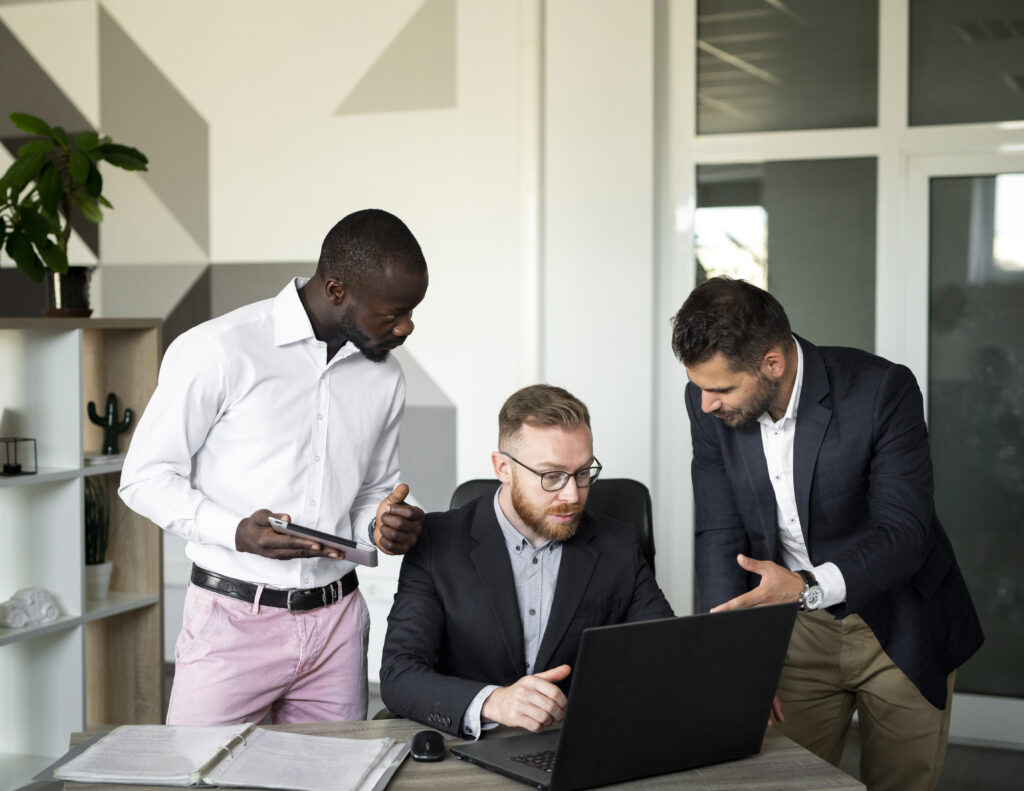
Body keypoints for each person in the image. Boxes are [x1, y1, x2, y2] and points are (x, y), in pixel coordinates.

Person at [670, 276, 983, 791]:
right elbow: (719, 530)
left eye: (722, 388)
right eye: (700, 386)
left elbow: (906, 531)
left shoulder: (882, 389)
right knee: (781, 781)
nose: (706, 403)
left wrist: (809, 586)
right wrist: (733, 656)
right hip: (794, 629)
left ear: (773, 363)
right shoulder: (705, 402)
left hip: (900, 619)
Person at [120, 208, 430, 725]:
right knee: (200, 780)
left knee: (333, 783)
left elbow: (370, 492)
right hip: (230, 623)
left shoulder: (386, 378)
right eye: (393, 312)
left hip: (337, 626)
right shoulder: (217, 349)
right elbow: (145, 478)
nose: (407, 327)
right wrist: (236, 531)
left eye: (414, 310)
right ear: (337, 291)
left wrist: (381, 525)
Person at [379, 384, 673, 737]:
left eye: (583, 473)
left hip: (574, 742)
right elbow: (400, 674)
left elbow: (663, 654)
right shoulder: (435, 542)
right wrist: (495, 702)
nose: (572, 495)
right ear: (503, 467)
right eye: (551, 476)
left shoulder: (618, 545)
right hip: (469, 747)